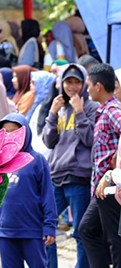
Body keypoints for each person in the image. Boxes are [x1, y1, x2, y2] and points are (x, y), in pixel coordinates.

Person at [0, 113, 57, 268]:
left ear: (25, 132)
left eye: (15, 131)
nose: (10, 136)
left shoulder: (36, 160)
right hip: (6, 233)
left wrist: (50, 226)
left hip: (32, 231)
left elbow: (48, 196)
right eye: (6, 132)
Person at [42, 63, 98, 268]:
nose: (72, 86)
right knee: (44, 224)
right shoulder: (60, 107)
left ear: (84, 84)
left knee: (80, 231)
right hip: (56, 176)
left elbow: (91, 139)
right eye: (68, 82)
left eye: (77, 82)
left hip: (78, 178)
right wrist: (52, 114)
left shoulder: (92, 108)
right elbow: (49, 141)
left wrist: (80, 112)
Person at [79, 63, 121, 267]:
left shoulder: (113, 110)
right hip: (102, 188)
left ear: (98, 86)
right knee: (90, 230)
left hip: (112, 186)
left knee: (113, 239)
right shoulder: (104, 111)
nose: (86, 90)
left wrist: (115, 166)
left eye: (88, 85)